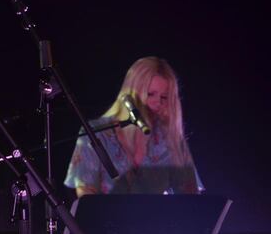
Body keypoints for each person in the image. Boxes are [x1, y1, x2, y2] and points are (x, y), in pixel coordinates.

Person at [64, 56, 204, 197]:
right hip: (107, 217)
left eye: (164, 97)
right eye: (151, 94)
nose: (158, 102)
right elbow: (86, 196)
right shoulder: (96, 133)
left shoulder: (170, 140)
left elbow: (191, 196)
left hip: (157, 218)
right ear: (132, 93)